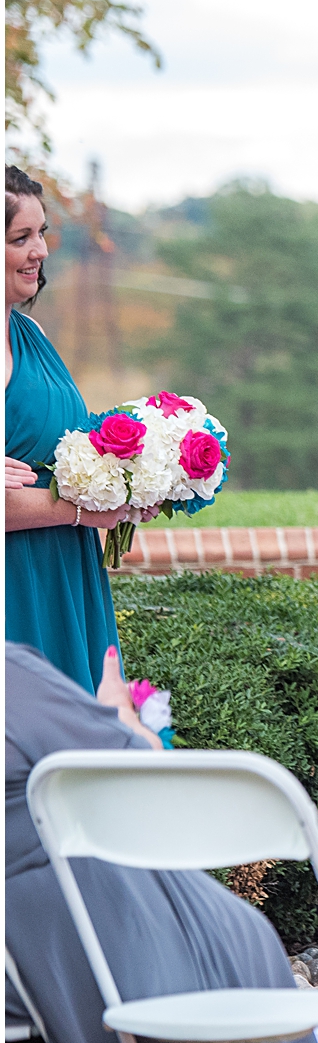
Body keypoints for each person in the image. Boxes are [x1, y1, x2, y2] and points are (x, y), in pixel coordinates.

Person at [5, 643, 318, 1043]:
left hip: (30, 976)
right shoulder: (10, 682)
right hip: (99, 954)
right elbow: (139, 776)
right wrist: (125, 722)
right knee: (242, 942)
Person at [5, 166, 131, 697]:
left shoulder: (30, 334)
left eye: (43, 233)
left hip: (68, 576)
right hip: (17, 586)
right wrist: (82, 509)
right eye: (20, 238)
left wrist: (131, 480)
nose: (41, 251)